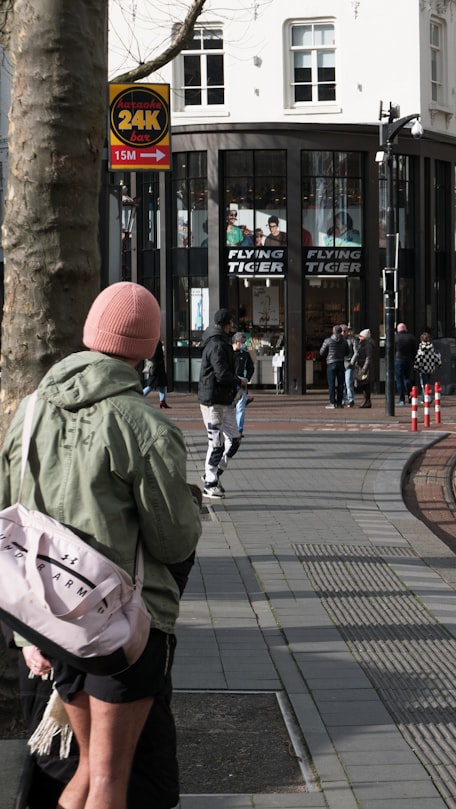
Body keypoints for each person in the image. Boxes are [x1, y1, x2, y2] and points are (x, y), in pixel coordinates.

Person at [0, 281, 203, 809]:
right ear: (149, 347)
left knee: (87, 770)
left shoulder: (30, 410)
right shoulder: (145, 425)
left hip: (47, 618)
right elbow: (173, 539)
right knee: (111, 778)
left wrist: (25, 636)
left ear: (90, 334)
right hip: (118, 628)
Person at [199, 308, 246, 499]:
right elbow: (221, 374)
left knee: (234, 440)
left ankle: (213, 474)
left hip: (222, 400)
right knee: (216, 443)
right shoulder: (217, 345)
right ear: (226, 324)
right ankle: (209, 483)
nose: (233, 326)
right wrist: (238, 381)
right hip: (213, 401)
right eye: (231, 323)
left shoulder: (220, 342)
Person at [319, 324, 349, 409]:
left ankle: (332, 402)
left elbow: (322, 352)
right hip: (340, 362)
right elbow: (347, 352)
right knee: (340, 384)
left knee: (331, 384)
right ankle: (339, 402)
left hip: (331, 363)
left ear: (333, 331)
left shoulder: (327, 341)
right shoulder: (344, 341)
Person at [232, 331, 255, 434]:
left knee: (240, 408)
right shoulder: (228, 353)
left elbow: (251, 368)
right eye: (242, 342)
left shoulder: (245, 354)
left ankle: (239, 430)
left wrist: (246, 379)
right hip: (229, 383)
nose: (244, 344)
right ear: (237, 342)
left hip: (241, 384)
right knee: (228, 407)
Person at [393, 322, 418, 405]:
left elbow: (392, 349)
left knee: (399, 380)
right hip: (408, 360)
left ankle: (402, 399)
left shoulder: (395, 337)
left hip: (398, 359)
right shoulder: (411, 337)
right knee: (407, 378)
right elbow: (415, 349)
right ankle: (410, 396)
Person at [414, 331, 441, 403]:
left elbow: (418, 359)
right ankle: (428, 397)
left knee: (423, 384)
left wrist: (416, 367)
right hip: (430, 368)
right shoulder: (432, 348)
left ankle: (425, 398)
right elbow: (436, 357)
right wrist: (438, 364)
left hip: (422, 369)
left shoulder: (421, 349)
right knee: (427, 382)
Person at [141, 339, 169, 409]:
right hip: (156, 367)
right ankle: (139, 397)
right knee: (151, 385)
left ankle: (162, 400)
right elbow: (157, 355)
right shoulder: (156, 343)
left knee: (162, 384)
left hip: (157, 366)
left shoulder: (151, 342)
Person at [355, 328, 375, 408]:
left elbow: (368, 358)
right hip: (363, 365)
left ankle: (367, 401)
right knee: (364, 385)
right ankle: (366, 401)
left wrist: (364, 369)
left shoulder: (367, 345)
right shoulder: (365, 344)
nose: (359, 337)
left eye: (361, 336)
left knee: (366, 384)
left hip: (365, 367)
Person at [344, 325, 361, 407]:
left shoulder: (353, 339)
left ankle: (351, 400)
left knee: (348, 382)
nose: (344, 333)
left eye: (345, 331)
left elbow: (356, 352)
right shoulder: (339, 339)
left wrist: (352, 362)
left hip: (349, 364)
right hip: (341, 363)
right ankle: (342, 400)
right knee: (342, 383)